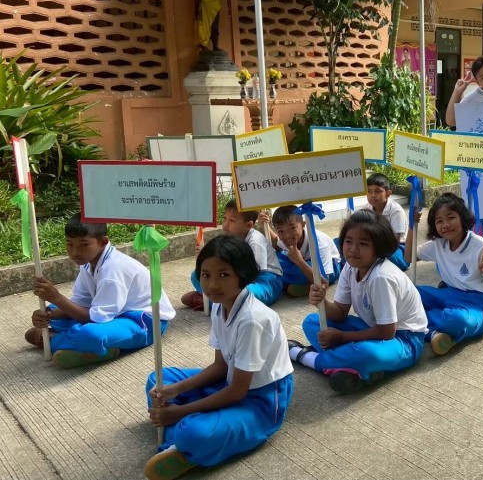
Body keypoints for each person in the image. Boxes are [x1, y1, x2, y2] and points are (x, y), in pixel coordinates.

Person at [144, 235, 293, 480]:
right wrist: (176, 389)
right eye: (205, 275)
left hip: (261, 400)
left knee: (195, 433)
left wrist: (179, 412)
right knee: (159, 380)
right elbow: (220, 367)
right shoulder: (219, 305)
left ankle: (182, 436)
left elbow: (237, 392)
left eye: (224, 275)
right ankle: (182, 437)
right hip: (230, 381)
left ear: (242, 275)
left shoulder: (253, 320)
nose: (212, 285)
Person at [288, 211, 427, 394]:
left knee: (367, 353)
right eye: (348, 241)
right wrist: (321, 302)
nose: (353, 249)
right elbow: (340, 312)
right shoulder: (350, 267)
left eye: (363, 244)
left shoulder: (381, 277)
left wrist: (342, 337)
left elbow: (387, 333)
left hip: (404, 340)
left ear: (379, 247)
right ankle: (356, 369)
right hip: (370, 328)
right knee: (313, 321)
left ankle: (306, 357)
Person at [25, 213, 175, 368]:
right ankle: (86, 347)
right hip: (111, 314)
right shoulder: (88, 262)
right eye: (70, 244)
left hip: (144, 322)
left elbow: (95, 319)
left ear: (103, 242)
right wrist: (48, 315)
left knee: (91, 334)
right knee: (55, 310)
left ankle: (57, 341)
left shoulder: (113, 270)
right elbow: (80, 303)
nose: (75, 252)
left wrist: (56, 297)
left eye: (84, 245)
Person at [405, 193, 483, 356]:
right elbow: (409, 258)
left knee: (457, 320)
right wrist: (411, 226)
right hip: (449, 294)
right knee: (407, 293)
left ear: (462, 218)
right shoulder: (438, 244)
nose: (445, 225)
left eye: (450, 218)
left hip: (479, 303)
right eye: (439, 221)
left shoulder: (480, 245)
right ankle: (433, 331)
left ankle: (414, 324)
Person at [182, 200, 283, 310]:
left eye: (232, 220)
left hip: (265, 282)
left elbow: (253, 274)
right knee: (196, 275)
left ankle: (210, 302)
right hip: (239, 278)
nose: (225, 224)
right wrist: (204, 257)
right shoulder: (230, 239)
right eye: (225, 218)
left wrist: (230, 285)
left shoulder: (255, 242)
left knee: (246, 292)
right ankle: (216, 300)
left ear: (248, 225)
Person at [267, 205, 341, 297]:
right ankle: (301, 281)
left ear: (303, 225)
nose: (287, 235)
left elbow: (324, 281)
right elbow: (277, 246)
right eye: (281, 231)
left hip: (329, 267)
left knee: (306, 268)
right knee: (274, 259)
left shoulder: (319, 243)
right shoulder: (285, 239)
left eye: (292, 228)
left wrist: (299, 261)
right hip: (301, 264)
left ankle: (309, 286)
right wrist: (264, 225)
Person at [363, 173, 409, 270]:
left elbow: (395, 241)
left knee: (382, 255)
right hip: (375, 243)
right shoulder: (368, 207)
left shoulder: (396, 211)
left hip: (397, 248)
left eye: (377, 191)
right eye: (369, 191)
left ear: (388, 194)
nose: (372, 195)